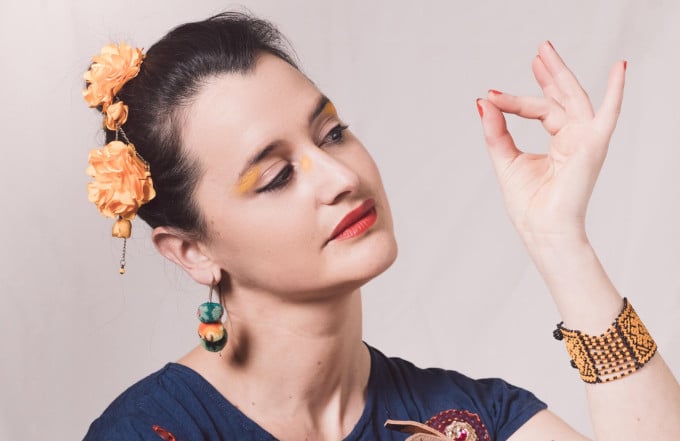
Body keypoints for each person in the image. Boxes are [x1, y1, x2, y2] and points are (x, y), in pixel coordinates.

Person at [82, 11, 680, 441]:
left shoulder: (472, 417)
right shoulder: (149, 430)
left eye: (332, 134)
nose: (341, 176)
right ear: (190, 251)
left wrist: (560, 240)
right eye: (276, 176)